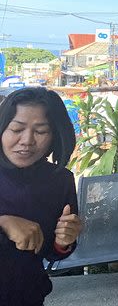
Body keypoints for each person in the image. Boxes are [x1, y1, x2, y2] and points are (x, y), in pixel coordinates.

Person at [0, 87, 83, 306]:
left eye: (40, 131)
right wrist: (4, 224)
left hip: (28, 296)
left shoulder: (60, 181)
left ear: (55, 134)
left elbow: (51, 253)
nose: (27, 140)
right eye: (17, 129)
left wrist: (63, 242)